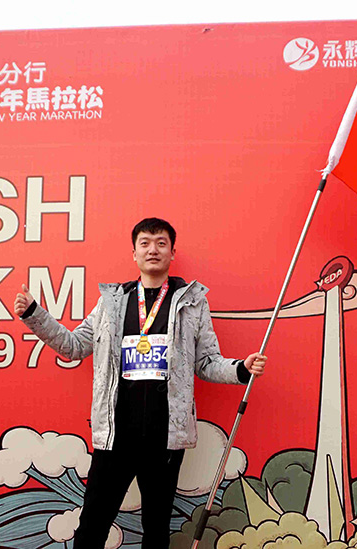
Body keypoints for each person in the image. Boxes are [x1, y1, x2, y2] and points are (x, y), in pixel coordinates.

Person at [14, 217, 265, 549]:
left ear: (172, 252)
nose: (153, 250)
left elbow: (206, 362)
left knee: (157, 530)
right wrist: (35, 314)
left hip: (165, 437)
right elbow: (73, 346)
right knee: (91, 527)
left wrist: (241, 370)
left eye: (161, 243)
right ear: (134, 253)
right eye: (145, 243)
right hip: (116, 434)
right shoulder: (112, 302)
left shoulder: (191, 303)